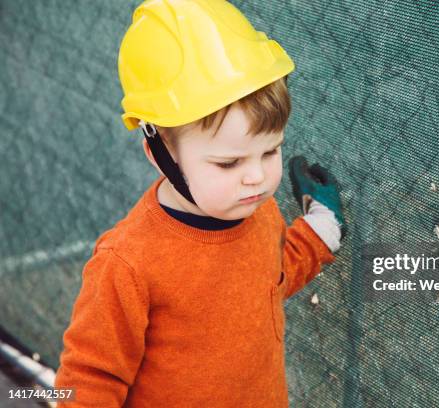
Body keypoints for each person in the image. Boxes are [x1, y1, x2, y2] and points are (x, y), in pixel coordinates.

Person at [53, 0, 346, 406]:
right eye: (229, 162)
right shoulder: (127, 265)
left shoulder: (257, 209)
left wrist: (320, 232)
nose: (257, 177)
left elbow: (267, 281)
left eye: (271, 151)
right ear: (160, 155)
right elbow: (88, 381)